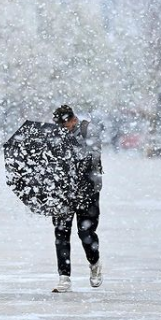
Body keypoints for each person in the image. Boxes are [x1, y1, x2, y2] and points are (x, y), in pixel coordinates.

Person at [51, 105, 103, 293]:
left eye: (64, 125)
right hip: (63, 192)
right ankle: (64, 277)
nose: (62, 129)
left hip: (88, 190)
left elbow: (94, 156)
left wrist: (75, 159)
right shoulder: (56, 135)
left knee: (86, 234)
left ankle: (94, 263)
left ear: (73, 119)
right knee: (61, 233)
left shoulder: (88, 130)